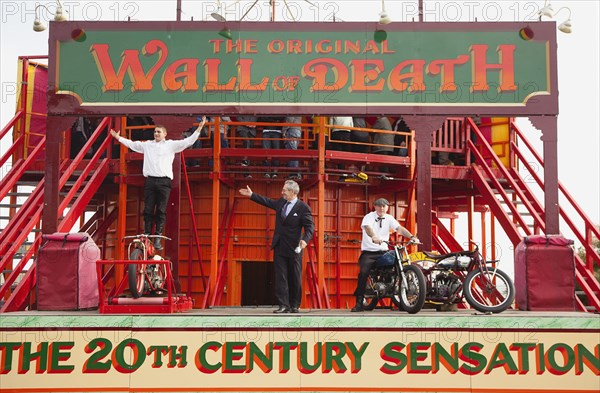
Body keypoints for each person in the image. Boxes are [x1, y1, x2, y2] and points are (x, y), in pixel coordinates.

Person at [110, 116, 207, 250]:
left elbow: (188, 142)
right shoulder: (147, 145)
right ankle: (147, 234)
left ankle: (157, 238)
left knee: (161, 210)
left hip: (164, 181)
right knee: (148, 209)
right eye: (155, 131)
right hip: (150, 180)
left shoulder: (171, 145)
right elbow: (132, 144)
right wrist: (118, 138)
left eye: (159, 132)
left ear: (165, 134)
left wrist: (200, 128)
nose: (156, 134)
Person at [239, 180, 314, 313]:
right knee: (281, 276)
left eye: (284, 190)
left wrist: (305, 240)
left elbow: (310, 227)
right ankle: (283, 305)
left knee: (295, 276)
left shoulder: (303, 208)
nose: (282, 192)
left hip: (294, 248)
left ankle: (294, 305)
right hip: (279, 246)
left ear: (292, 192)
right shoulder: (281, 202)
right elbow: (267, 202)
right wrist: (252, 195)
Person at [351, 198, 417, 312]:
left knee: (396, 263)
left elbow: (399, 228)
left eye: (384, 206)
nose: (382, 208)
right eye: (379, 206)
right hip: (369, 252)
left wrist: (411, 237)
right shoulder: (369, 217)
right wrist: (374, 237)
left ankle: (400, 298)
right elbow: (368, 228)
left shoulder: (389, 218)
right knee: (363, 273)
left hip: (383, 251)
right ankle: (359, 302)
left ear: (387, 207)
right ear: (375, 207)